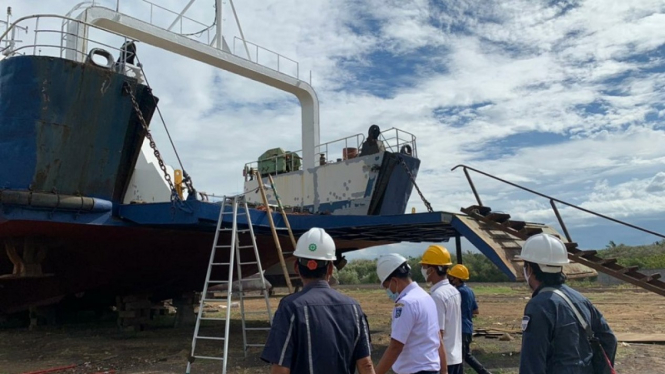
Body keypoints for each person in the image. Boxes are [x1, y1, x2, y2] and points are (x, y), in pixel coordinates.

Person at [261, 228, 375, 374]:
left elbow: (281, 369)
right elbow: (366, 364)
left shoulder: (290, 307)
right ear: (330, 269)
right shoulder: (354, 308)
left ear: (297, 267)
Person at [517, 233, 618, 373]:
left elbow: (532, 361)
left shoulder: (538, 306)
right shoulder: (579, 297)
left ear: (529, 269)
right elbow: (609, 338)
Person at [375, 253, 442, 374]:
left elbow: (395, 347)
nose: (388, 291)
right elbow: (438, 337)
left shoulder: (405, 303)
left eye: (387, 287)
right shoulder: (426, 297)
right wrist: (444, 370)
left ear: (394, 281)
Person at [421, 245, 463, 374]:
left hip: (444, 361)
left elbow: (438, 335)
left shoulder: (437, 296)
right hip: (455, 357)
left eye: (424, 266)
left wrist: (442, 369)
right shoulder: (453, 291)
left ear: (432, 270)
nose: (422, 270)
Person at [447, 264, 492, 374]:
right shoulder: (469, 291)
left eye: (452, 277)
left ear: (457, 278)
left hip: (460, 329)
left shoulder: (458, 292)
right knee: (465, 355)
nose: (450, 279)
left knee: (460, 358)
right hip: (467, 328)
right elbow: (475, 311)